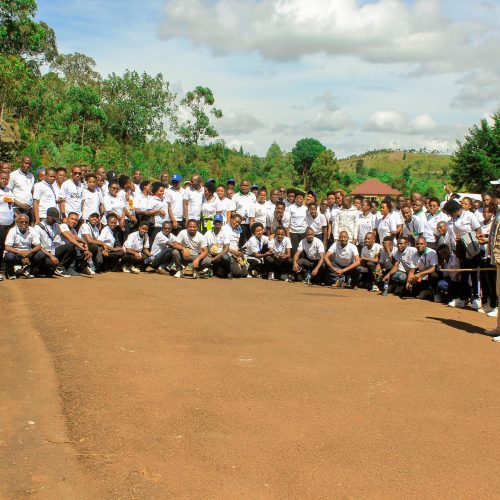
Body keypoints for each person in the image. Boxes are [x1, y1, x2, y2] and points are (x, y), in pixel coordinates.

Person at [443, 199, 482, 310]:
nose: (450, 215)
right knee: (464, 274)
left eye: (450, 213)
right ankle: (463, 298)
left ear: (455, 210)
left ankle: (476, 298)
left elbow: (478, 232)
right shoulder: (453, 220)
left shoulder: (470, 216)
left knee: (474, 274)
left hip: (472, 247)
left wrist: (465, 237)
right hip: (461, 248)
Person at [3, 214, 41, 279]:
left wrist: (29, 252)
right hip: (16, 254)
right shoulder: (12, 231)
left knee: (41, 254)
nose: (24, 224)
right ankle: (10, 272)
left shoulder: (32, 230)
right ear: (17, 223)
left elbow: (38, 246)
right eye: (21, 222)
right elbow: (7, 247)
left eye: (26, 222)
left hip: (28, 253)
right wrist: (20, 252)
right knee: (9, 256)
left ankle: (28, 270)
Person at [8, 156, 35, 221]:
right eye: (26, 163)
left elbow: (31, 192)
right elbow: (7, 194)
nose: (28, 165)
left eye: (29, 164)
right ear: (21, 163)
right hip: (17, 209)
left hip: (29, 209)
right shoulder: (13, 175)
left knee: (29, 230)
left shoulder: (31, 176)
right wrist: (20, 204)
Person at [205, 214, 231, 278]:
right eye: (216, 221)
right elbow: (203, 246)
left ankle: (228, 272)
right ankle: (210, 269)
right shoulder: (208, 233)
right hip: (210, 255)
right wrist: (207, 253)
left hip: (220, 256)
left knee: (226, 257)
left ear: (222, 223)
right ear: (213, 223)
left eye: (219, 222)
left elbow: (226, 249)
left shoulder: (225, 233)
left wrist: (215, 258)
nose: (217, 223)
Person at [0, 170, 15, 280]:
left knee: (8, 247)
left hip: (9, 223)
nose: (5, 181)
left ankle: (8, 270)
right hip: (0, 223)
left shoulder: (9, 190)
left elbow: (11, 205)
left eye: (6, 179)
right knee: (0, 247)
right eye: (2, 178)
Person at [232, 180, 255, 245]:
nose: (244, 187)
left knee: (251, 239)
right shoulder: (235, 196)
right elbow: (233, 211)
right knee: (241, 240)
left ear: (249, 187)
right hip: (240, 223)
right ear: (240, 186)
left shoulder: (253, 196)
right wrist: (239, 218)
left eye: (246, 185)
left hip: (251, 222)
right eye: (243, 185)